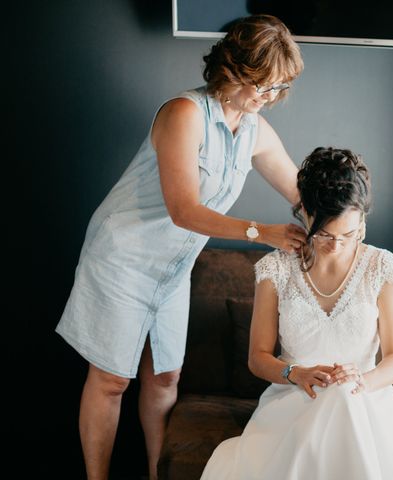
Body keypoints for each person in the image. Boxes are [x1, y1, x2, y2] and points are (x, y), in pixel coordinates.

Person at [55, 14, 308, 480]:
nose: (266, 99)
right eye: (260, 85)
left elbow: (299, 193)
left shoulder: (255, 129)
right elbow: (184, 211)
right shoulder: (184, 114)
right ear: (233, 67)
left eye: (275, 90)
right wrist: (263, 233)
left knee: (167, 377)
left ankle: (159, 474)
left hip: (173, 270)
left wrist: (338, 224)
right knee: (113, 381)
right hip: (123, 258)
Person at [200, 147, 393, 479]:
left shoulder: (382, 267)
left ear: (362, 221)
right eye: (325, 234)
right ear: (306, 215)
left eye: (348, 235)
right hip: (293, 401)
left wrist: (360, 382)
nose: (337, 245)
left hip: (365, 403)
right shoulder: (275, 268)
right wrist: (296, 373)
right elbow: (258, 357)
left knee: (342, 397)